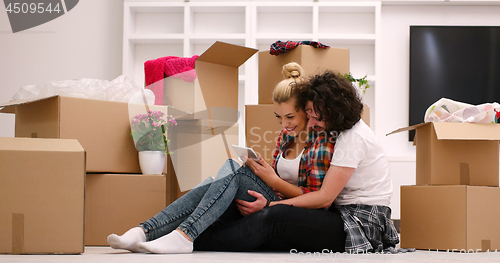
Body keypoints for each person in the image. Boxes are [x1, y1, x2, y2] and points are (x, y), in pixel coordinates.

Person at [106, 62, 339, 254]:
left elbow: (317, 199)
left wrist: (273, 182)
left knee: (230, 169)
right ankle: (144, 231)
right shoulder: (285, 138)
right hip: (276, 198)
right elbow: (280, 180)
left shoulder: (320, 142)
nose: (284, 124)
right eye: (278, 117)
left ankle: (182, 235)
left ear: (306, 112)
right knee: (217, 180)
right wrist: (266, 173)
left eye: (290, 117)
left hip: (301, 214)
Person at [200, 70, 402, 254]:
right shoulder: (336, 132)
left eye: (317, 118)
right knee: (252, 215)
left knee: (275, 217)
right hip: (337, 214)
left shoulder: (353, 138)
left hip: (360, 222)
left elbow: (324, 198)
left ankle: (199, 241)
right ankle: (191, 232)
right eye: (309, 115)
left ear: (335, 112)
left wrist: (272, 204)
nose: (312, 123)